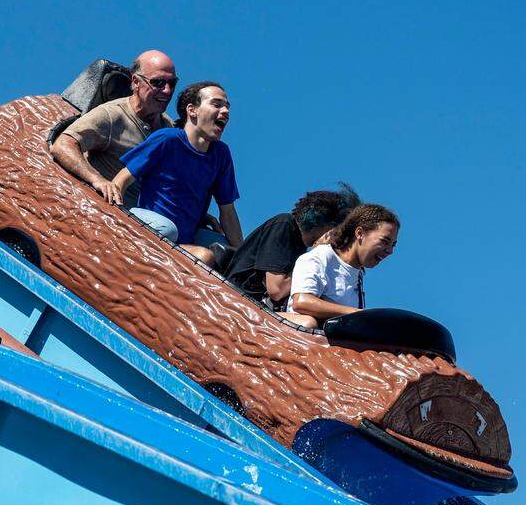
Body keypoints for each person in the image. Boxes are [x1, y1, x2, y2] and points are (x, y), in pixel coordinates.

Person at [105, 81, 243, 266]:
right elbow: (122, 178)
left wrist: (244, 260)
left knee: (226, 251)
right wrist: (112, 218)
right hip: (155, 228)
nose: (225, 111)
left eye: (227, 106)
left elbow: (228, 213)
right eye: (217, 104)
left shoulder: (221, 155)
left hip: (186, 238)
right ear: (192, 110)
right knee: (197, 251)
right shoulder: (168, 139)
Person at [50, 50, 177, 208]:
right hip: (115, 215)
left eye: (172, 83)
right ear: (136, 82)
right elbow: (62, 145)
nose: (167, 90)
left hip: (153, 215)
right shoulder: (112, 115)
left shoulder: (168, 125)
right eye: (158, 82)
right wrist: (98, 180)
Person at [226, 184, 360, 311]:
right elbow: (276, 290)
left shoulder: (299, 245)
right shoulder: (284, 225)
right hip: (237, 302)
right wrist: (315, 252)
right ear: (327, 224)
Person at [286, 204, 400, 328]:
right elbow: (302, 302)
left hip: (332, 343)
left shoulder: (357, 275)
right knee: (309, 324)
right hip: (301, 338)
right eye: (384, 241)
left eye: (393, 245)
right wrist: (359, 314)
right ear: (360, 233)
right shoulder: (320, 257)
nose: (390, 251)